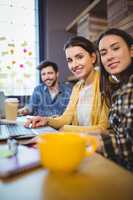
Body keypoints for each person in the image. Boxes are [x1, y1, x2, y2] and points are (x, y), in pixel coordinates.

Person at [25, 36, 109, 134]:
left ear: (93, 58)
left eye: (79, 57)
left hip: (97, 145)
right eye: (70, 60)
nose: (74, 65)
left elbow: (104, 129)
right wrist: (46, 120)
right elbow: (66, 118)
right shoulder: (77, 87)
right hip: (79, 142)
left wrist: (67, 129)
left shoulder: (106, 83)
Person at [94, 28, 133, 171]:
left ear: (131, 51)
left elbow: (129, 145)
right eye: (103, 53)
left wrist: (89, 141)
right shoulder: (120, 88)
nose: (109, 57)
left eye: (115, 48)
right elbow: (121, 132)